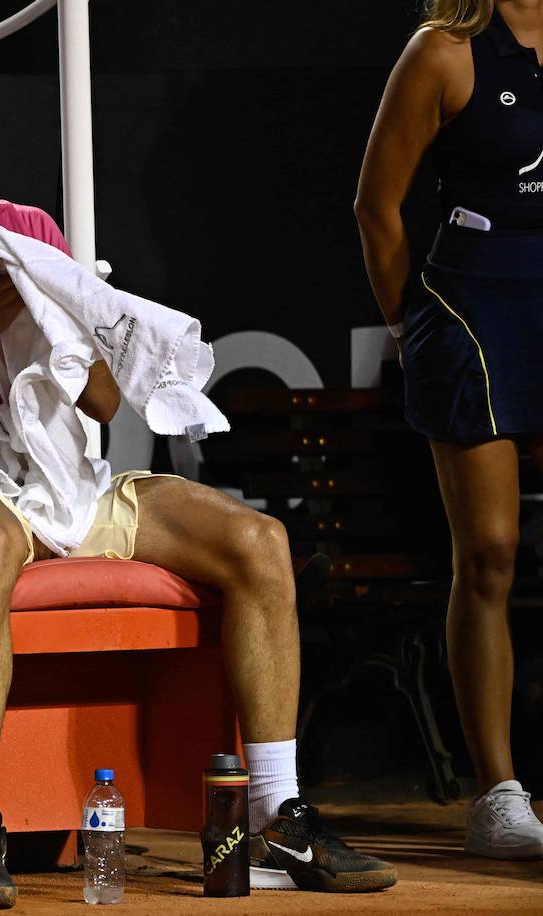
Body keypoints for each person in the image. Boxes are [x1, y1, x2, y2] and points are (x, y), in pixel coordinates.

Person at [0, 36, 396, 907]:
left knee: (259, 540)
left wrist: (74, 318)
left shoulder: (30, 233)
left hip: (59, 475)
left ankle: (278, 815)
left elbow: (106, 407)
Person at [356, 0, 543, 861]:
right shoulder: (445, 51)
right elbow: (377, 205)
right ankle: (497, 792)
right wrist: (412, 326)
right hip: (477, 311)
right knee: (493, 552)